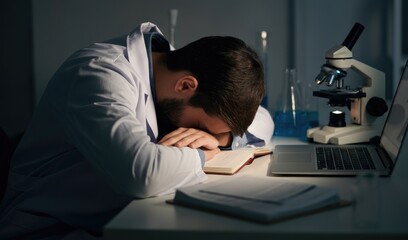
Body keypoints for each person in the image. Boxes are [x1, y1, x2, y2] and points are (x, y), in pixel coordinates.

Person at [0, 22, 274, 239]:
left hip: (114, 218)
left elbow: (264, 119)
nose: (197, 134)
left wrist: (219, 138)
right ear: (186, 86)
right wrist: (206, 154)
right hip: (50, 228)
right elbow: (142, 172)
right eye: (200, 126)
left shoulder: (172, 72)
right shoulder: (98, 75)